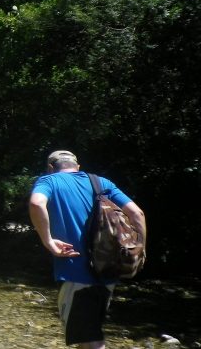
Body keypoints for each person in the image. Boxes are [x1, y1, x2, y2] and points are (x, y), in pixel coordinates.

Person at [29, 150, 147, 349]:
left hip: (76, 272)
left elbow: (36, 203)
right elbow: (137, 213)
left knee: (89, 339)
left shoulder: (48, 181)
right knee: (89, 332)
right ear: (77, 167)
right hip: (107, 269)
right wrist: (140, 251)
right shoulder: (101, 182)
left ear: (50, 167)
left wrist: (48, 241)